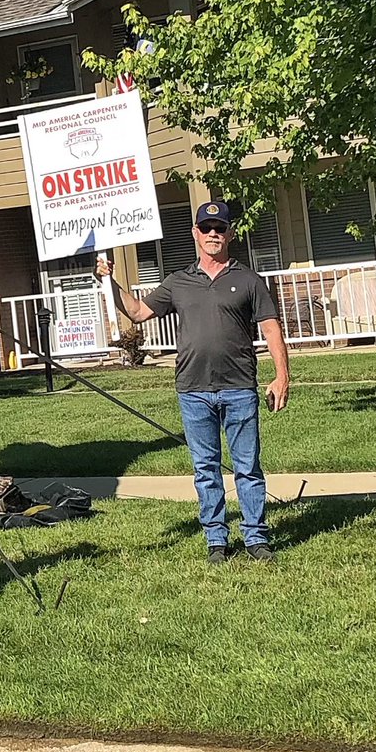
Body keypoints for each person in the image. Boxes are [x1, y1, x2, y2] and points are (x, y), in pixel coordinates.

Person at [97, 200, 290, 564]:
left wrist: (282, 377)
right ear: (195, 234)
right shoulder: (178, 282)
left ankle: (256, 539)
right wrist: (110, 281)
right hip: (193, 391)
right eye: (206, 228)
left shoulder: (248, 280)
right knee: (206, 470)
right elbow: (138, 312)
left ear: (230, 234)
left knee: (247, 466)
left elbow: (271, 328)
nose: (213, 234)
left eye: (220, 228)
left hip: (239, 388)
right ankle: (217, 540)